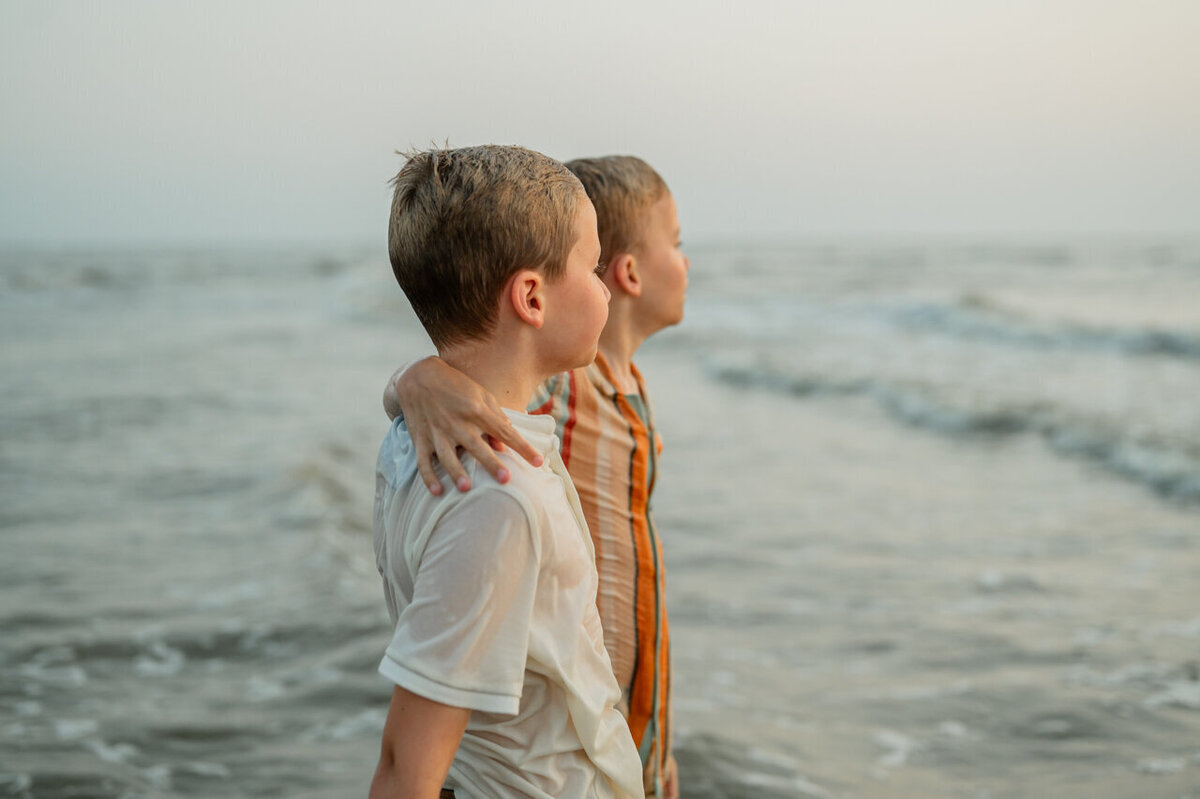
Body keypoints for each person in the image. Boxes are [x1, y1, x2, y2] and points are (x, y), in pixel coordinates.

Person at [383, 155, 688, 799]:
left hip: (606, 722)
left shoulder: (608, 393)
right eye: (590, 265)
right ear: (531, 296)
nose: (602, 285)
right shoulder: (525, 447)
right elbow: (406, 767)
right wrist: (418, 379)